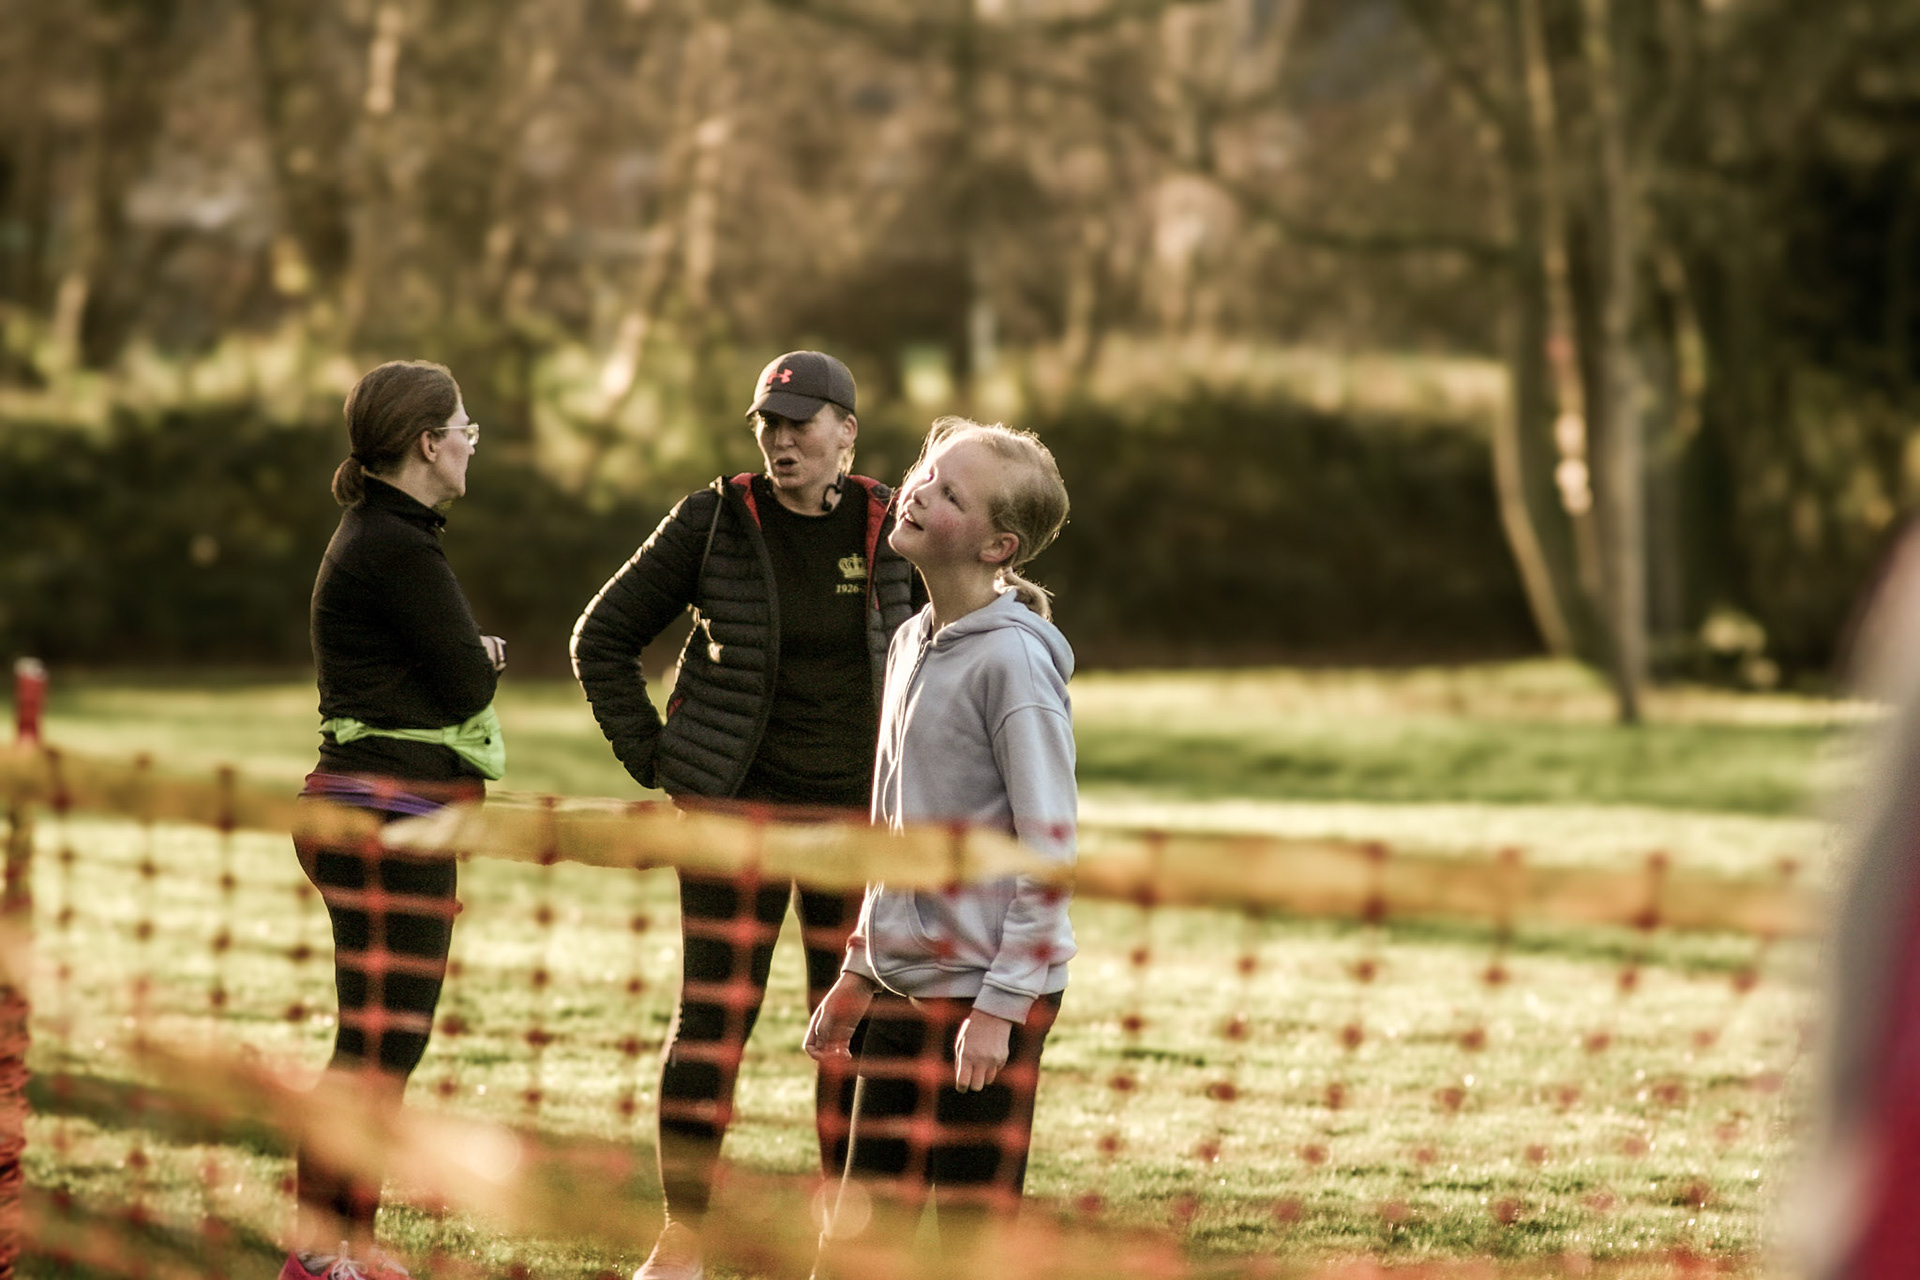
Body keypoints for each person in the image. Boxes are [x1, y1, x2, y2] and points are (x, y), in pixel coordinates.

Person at [571, 351, 921, 1280]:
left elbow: (952, 647)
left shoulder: (895, 523)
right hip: (734, 821)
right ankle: (681, 1241)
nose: (781, 438)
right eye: (769, 423)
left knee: (850, 1028)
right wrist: (661, 761)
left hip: (858, 830)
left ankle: (842, 1244)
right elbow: (601, 638)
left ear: (847, 429)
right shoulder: (716, 516)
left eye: (802, 421)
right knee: (711, 1023)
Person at [804, 416, 1076, 1258]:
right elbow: (896, 831)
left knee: (967, 1240)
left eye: (948, 492)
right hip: (903, 982)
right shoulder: (912, 640)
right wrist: (859, 966)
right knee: (858, 1237)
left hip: (990, 995)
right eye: (925, 473)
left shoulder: (1014, 665)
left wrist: (1001, 1006)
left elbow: (1050, 849)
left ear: (999, 546)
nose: (917, 490)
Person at [281, 360, 507, 1280]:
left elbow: (436, 671)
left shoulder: (390, 533)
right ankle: (317, 1255)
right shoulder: (398, 545)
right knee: (377, 1050)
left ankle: (344, 1248)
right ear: (427, 443)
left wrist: (464, 655)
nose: (469, 442)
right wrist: (481, 655)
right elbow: (462, 677)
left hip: (383, 817)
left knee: (379, 1048)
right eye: (464, 428)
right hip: (387, 823)